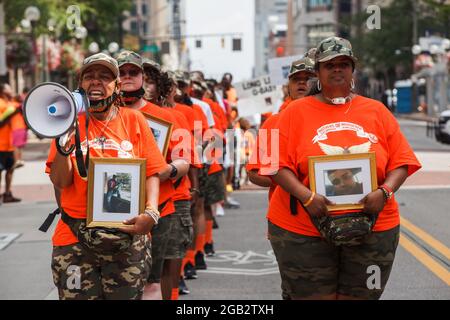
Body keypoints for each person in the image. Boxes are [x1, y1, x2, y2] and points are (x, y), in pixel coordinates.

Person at [261, 37, 421, 300]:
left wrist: (384, 192)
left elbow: (402, 162)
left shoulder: (377, 111)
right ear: (318, 72)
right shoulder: (290, 113)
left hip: (374, 227)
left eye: (343, 64)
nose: (337, 69)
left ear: (352, 70)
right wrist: (307, 196)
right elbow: (271, 164)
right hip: (302, 228)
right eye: (329, 65)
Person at [46, 53, 167, 300]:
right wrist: (62, 142)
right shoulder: (66, 122)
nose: (96, 82)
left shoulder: (134, 120)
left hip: (127, 237)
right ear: (80, 85)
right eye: (89, 76)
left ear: (117, 85)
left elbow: (152, 172)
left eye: (104, 77)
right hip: (74, 240)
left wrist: (151, 213)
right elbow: (60, 181)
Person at [116, 51, 190, 300]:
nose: (127, 77)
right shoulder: (103, 115)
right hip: (115, 208)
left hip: (160, 208)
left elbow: (185, 160)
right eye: (122, 72)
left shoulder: (166, 117)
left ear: (142, 77)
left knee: (151, 283)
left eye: (133, 72)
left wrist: (166, 170)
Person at [0, 83, 22, 203]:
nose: (11, 90)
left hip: (9, 145)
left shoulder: (9, 103)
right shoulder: (0, 103)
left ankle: (7, 194)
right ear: (3, 91)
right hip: (0, 145)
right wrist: (12, 113)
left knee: (10, 169)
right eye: (9, 88)